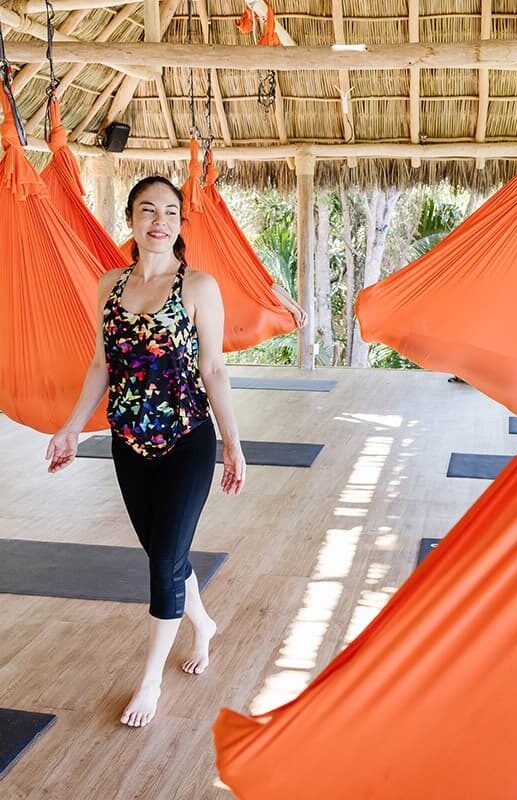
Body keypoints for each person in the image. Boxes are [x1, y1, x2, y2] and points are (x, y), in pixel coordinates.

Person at [45, 176, 306, 728]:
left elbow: (214, 368)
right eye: (147, 210)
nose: (158, 220)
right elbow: (101, 365)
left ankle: (149, 682)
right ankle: (203, 624)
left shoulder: (199, 287)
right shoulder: (108, 285)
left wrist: (234, 445)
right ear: (133, 220)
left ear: (179, 223)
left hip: (188, 439)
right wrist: (70, 428)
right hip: (128, 442)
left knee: (164, 559)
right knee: (166, 552)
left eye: (168, 211)